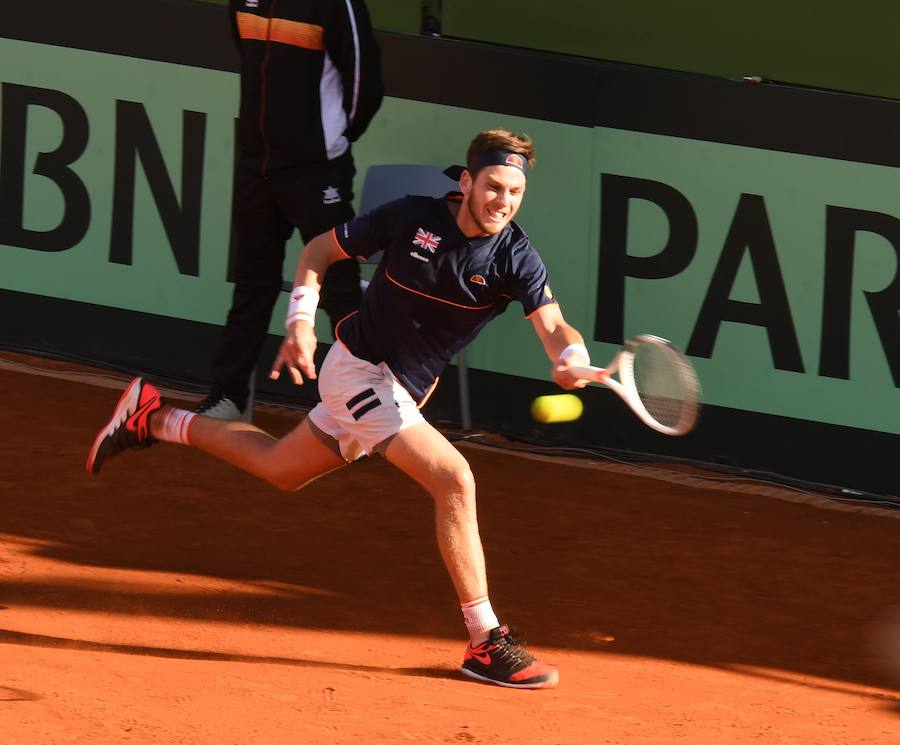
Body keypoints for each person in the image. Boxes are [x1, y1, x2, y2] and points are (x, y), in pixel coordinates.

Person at [87, 129, 593, 690]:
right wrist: (300, 323)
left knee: (279, 467)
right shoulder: (411, 218)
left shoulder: (516, 256)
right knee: (455, 480)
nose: (503, 201)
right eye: (494, 186)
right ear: (467, 182)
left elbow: (552, 325)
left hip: (399, 391)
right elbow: (318, 252)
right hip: (359, 372)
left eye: (515, 192)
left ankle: (153, 418)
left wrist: (571, 355)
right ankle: (483, 642)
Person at [198, 0, 384, 420]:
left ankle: (368, 406)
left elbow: (365, 87)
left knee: (339, 283)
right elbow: (249, 56)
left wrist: (328, 140)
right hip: (255, 166)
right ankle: (228, 396)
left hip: (317, 170)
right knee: (252, 282)